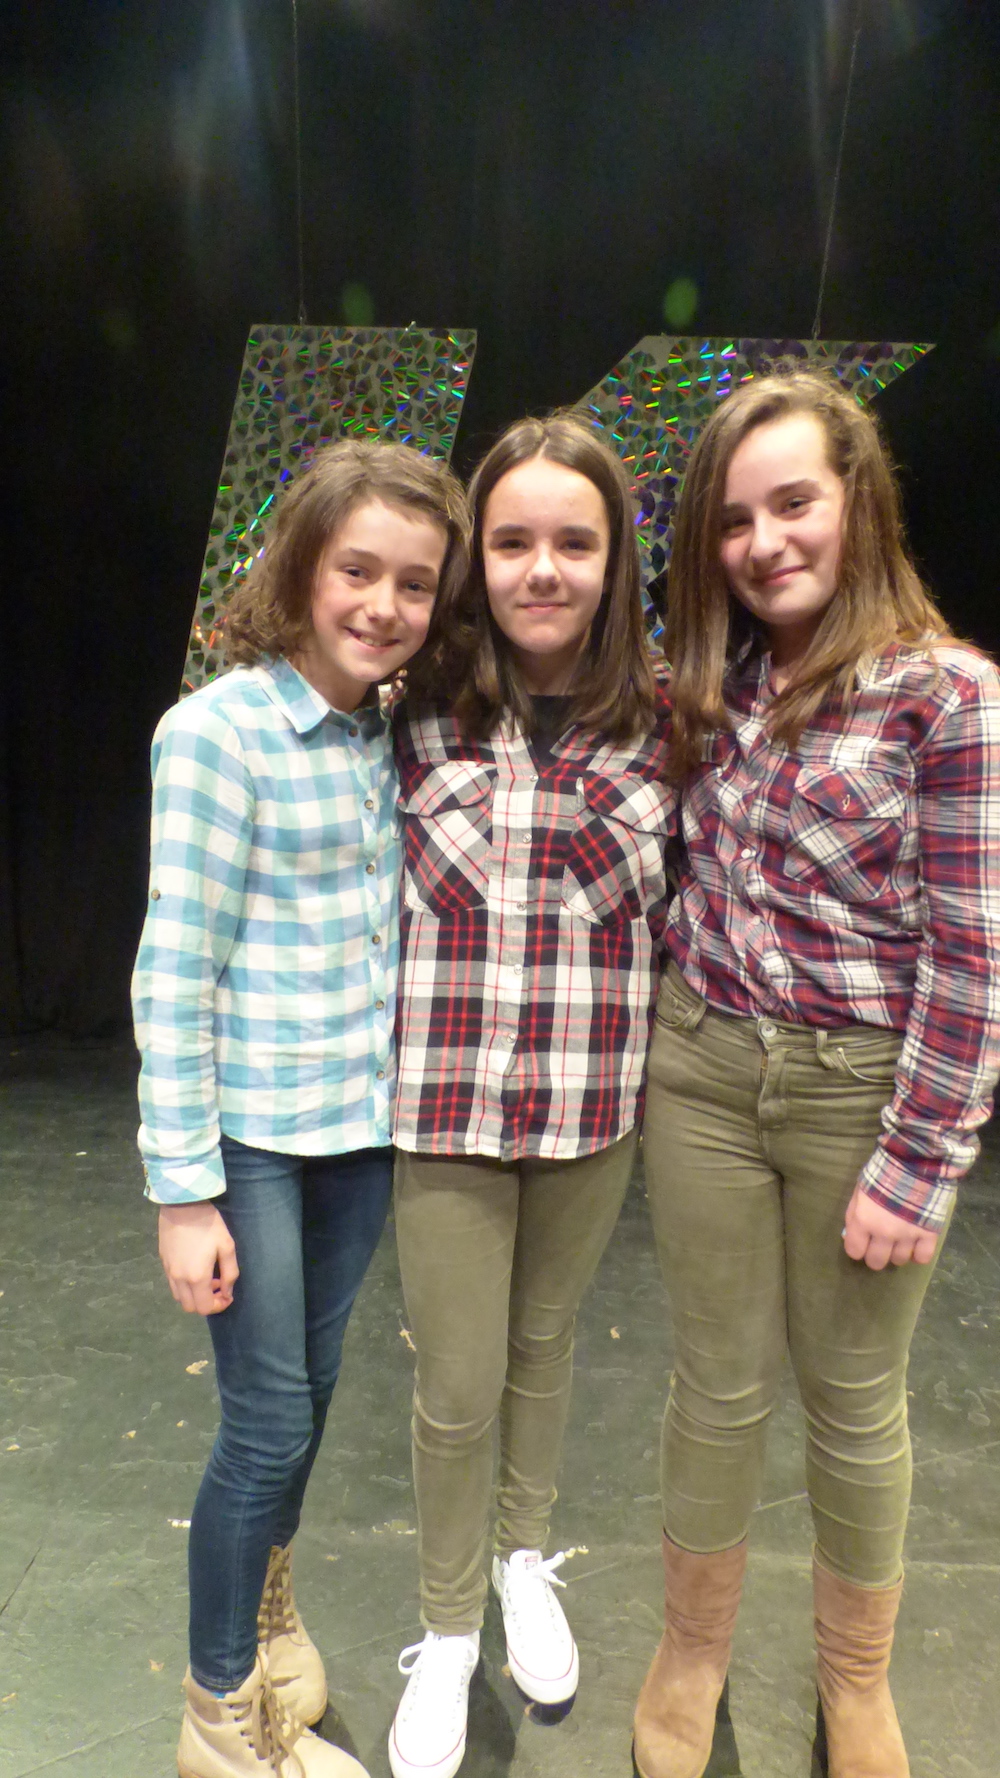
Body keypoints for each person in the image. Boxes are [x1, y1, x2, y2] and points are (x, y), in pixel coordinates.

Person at [632, 371, 1000, 1778]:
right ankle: (693, 1649)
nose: (764, 542)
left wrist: (920, 1159)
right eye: (734, 520)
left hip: (862, 1091)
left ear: (858, 501)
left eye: (794, 504)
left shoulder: (947, 695)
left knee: (854, 1399)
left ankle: (856, 1681)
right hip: (704, 1071)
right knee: (714, 1385)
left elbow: (973, 953)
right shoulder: (705, 683)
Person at [132, 439, 469, 1778]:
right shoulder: (220, 734)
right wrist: (184, 1191)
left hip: (356, 1136)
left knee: (309, 1409)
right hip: (254, 1144)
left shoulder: (387, 732)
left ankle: (270, 1618)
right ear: (301, 569)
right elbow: (176, 967)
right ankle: (220, 1711)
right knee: (265, 1425)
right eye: (356, 571)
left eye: (413, 583)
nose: (384, 605)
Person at [384, 413, 673, 1778]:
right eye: (511, 541)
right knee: (455, 1382)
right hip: (442, 1106)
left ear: (616, 560)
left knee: (544, 1346)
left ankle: (521, 1558)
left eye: (574, 541)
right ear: (474, 558)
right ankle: (447, 1630)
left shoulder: (672, 722)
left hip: (587, 1107)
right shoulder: (412, 707)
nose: (542, 568)